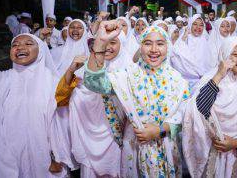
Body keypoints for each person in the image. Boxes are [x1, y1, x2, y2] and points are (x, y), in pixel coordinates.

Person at [83, 22, 190, 177]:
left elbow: (184, 118)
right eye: (147, 43)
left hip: (167, 150)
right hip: (134, 147)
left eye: (160, 44)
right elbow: (94, 83)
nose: (154, 50)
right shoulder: (127, 75)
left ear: (167, 47)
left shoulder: (178, 81)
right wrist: (100, 42)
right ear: (140, 46)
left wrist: (159, 130)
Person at [54, 31, 133, 178]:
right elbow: (61, 98)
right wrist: (71, 70)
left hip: (116, 135)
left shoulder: (130, 70)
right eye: (102, 42)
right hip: (87, 137)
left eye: (113, 42)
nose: (106, 47)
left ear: (122, 45)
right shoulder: (84, 68)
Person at [183, 37, 237, 177]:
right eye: (236, 55)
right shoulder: (211, 80)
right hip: (212, 150)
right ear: (224, 55)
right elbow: (199, 109)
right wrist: (219, 74)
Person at [0, 34, 64, 177]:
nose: (20, 47)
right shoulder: (0, 79)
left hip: (46, 157)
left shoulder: (53, 81)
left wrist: (57, 155)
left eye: (29, 44)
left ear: (41, 50)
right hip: (10, 156)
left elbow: (62, 121)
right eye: (15, 45)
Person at [50, 19, 90, 171]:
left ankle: (81, 164)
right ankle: (67, 165)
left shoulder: (89, 53)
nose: (76, 30)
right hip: (62, 101)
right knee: (64, 132)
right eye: (72, 27)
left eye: (80, 27)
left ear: (85, 31)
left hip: (81, 102)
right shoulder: (57, 52)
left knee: (80, 134)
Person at [171, 14, 214, 90]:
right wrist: (184, 36)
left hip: (203, 83)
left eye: (201, 25)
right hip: (184, 83)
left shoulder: (205, 42)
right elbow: (175, 58)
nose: (198, 27)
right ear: (190, 25)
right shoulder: (185, 40)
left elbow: (209, 64)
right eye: (195, 24)